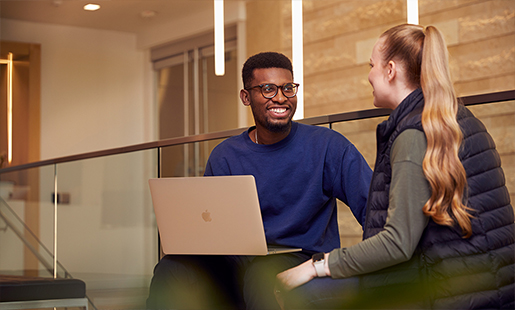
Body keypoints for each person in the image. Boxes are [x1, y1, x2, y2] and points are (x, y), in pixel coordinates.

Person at [276, 24, 515, 309]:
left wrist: (315, 266)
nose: (369, 75)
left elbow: (397, 243)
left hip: (447, 291)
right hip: (487, 285)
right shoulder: (457, 118)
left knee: (300, 291)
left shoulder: (413, 134)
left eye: (371, 65)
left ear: (390, 70)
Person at [146, 52, 373, 309]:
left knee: (260, 276)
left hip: (297, 256)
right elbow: (210, 230)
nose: (280, 97)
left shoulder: (327, 146)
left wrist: (369, 264)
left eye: (288, 88)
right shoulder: (226, 154)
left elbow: (373, 208)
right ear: (246, 97)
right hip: (237, 259)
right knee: (172, 268)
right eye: (267, 89)